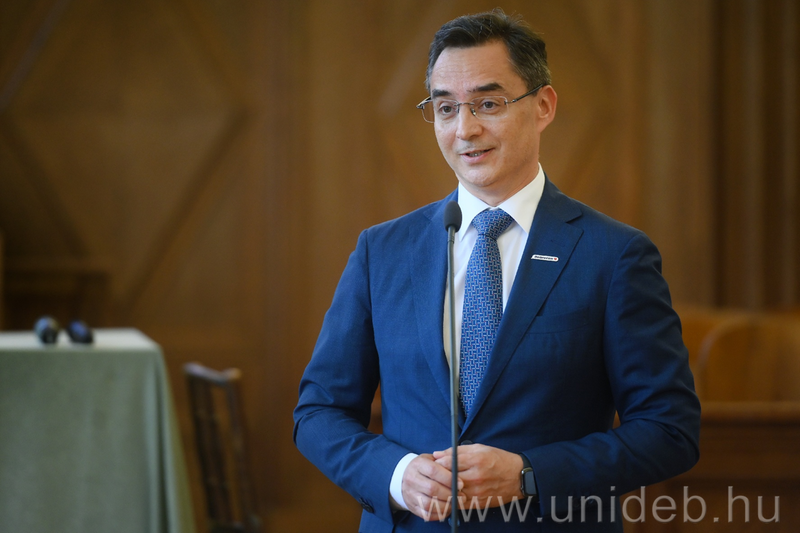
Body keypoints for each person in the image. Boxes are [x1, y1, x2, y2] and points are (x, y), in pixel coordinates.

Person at [293, 9, 700, 532]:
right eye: (446, 108)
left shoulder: (614, 255)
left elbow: (669, 430)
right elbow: (319, 413)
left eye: (488, 103)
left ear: (543, 106)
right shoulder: (383, 250)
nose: (465, 129)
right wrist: (395, 475)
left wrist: (530, 475)